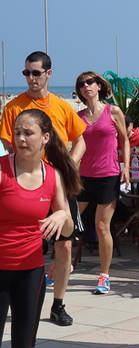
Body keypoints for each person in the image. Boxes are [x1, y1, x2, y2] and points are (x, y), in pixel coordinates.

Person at [0, 51, 86, 326]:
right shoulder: (14, 107)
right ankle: (19, 298)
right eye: (26, 73)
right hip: (24, 186)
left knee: (65, 246)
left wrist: (67, 167)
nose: (31, 78)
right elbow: (8, 148)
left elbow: (80, 140)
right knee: (26, 245)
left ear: (49, 74)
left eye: (36, 73)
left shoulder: (61, 106)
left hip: (55, 184)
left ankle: (58, 303)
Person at [0, 109, 81, 348]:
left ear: (45, 137)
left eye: (28, 133)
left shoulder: (53, 176)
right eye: (17, 132)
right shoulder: (2, 170)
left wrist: (62, 215)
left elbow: (68, 227)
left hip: (30, 273)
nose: (20, 138)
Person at [75, 71, 130, 294]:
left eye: (90, 82)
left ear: (99, 86)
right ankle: (61, 265)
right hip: (84, 176)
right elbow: (75, 146)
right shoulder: (78, 116)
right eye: (81, 84)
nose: (86, 86)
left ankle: (104, 275)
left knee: (101, 226)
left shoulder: (113, 111)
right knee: (69, 221)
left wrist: (126, 166)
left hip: (108, 174)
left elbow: (125, 139)